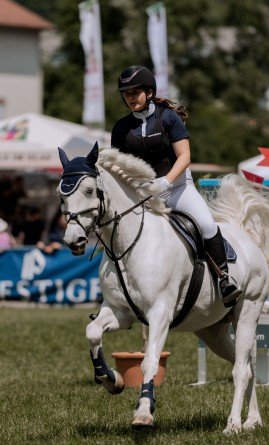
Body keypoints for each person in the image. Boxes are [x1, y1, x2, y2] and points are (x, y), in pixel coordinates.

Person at [110, 65, 239, 304]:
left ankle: (224, 278)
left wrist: (166, 181)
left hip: (177, 189)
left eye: (135, 92)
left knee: (206, 224)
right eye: (126, 93)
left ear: (149, 92)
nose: (130, 98)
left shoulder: (168, 117)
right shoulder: (121, 128)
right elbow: (119, 165)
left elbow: (185, 156)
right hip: (143, 195)